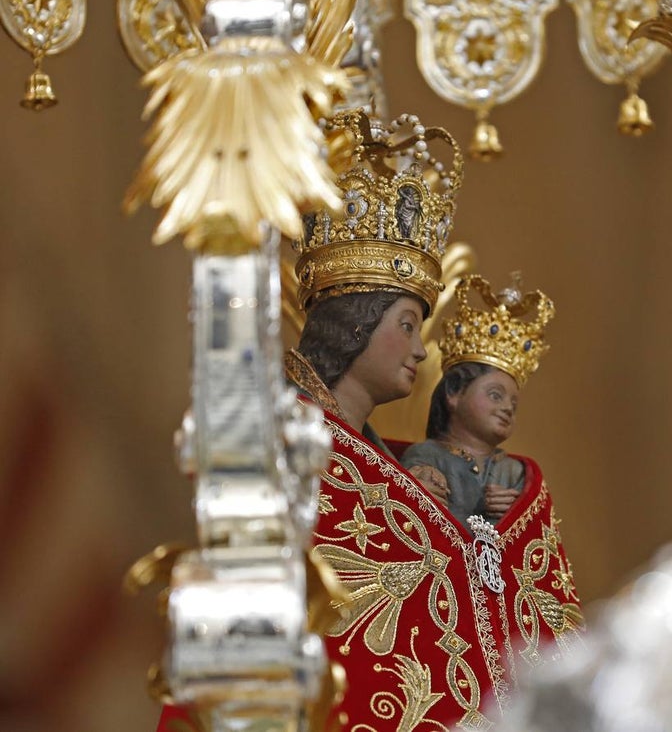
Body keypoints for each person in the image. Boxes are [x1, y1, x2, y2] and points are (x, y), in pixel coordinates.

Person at [155, 113, 580, 732]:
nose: (419, 350)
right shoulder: (290, 455)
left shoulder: (404, 467)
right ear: (355, 322)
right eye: (406, 325)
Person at [402, 274, 554, 530]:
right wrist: (478, 509)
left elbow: (534, 539)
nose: (507, 408)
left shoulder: (516, 472)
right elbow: (418, 523)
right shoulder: (426, 456)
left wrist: (517, 514)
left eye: (514, 405)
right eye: (495, 395)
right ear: (454, 392)